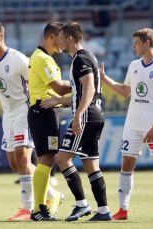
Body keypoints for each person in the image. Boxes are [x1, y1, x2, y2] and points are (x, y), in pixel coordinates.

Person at [99, 28, 153, 221]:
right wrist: (104, 79)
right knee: (126, 164)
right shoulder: (134, 65)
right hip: (132, 124)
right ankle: (123, 210)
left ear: (147, 43)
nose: (133, 46)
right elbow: (126, 91)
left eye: (136, 43)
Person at [41, 22, 112, 221]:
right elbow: (81, 93)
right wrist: (60, 100)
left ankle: (82, 204)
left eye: (62, 38)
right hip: (95, 114)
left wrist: (79, 114)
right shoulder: (87, 56)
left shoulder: (80, 59)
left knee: (62, 159)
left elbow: (88, 88)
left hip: (87, 116)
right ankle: (104, 211)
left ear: (71, 38)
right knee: (91, 165)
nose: (60, 42)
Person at [0, 21, 35, 221]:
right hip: (7, 113)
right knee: (14, 164)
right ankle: (53, 194)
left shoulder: (18, 58)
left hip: (23, 110)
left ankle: (27, 209)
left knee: (22, 158)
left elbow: (33, 82)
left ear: (1, 37)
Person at [28, 22, 72, 221]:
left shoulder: (44, 58)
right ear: (52, 37)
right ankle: (38, 208)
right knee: (45, 159)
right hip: (42, 111)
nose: (64, 42)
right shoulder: (43, 59)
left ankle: (39, 207)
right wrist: (84, 80)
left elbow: (57, 91)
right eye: (62, 37)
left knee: (47, 158)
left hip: (47, 111)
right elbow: (60, 88)